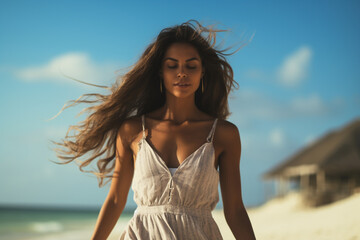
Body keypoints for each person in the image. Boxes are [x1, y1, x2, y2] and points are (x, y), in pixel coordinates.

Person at [53, 20, 256, 239]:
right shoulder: (132, 130)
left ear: (202, 72)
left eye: (191, 65)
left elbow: (235, 210)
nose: (181, 73)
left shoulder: (224, 134)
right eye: (172, 65)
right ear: (160, 71)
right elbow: (114, 200)